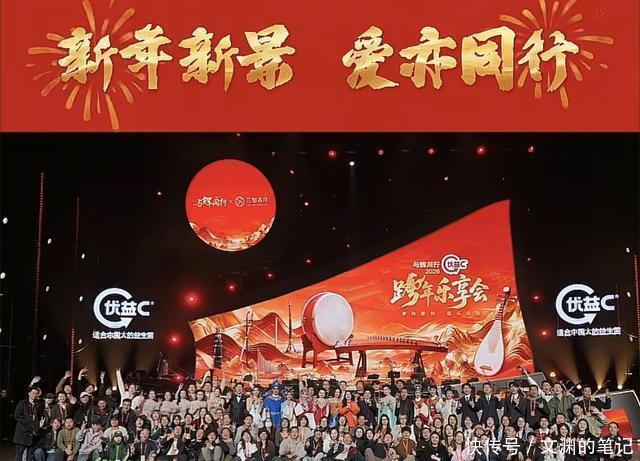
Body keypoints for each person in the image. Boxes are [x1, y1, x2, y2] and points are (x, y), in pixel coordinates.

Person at [14, 386, 44, 461]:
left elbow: (39, 416)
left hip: (33, 434)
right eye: (33, 393)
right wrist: (28, 425)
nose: (35, 395)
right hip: (22, 433)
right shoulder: (22, 403)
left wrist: (38, 427)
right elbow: (17, 415)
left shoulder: (38, 404)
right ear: (29, 393)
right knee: (19, 455)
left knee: (30, 456)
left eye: (36, 393)